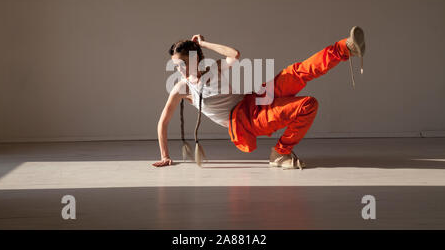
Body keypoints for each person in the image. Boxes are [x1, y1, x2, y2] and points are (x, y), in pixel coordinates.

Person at [153, 27, 366, 169]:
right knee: (307, 105)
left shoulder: (214, 69)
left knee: (295, 72)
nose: (179, 70)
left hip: (253, 100)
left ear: (195, 59)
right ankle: (280, 153)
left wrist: (204, 44)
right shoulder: (182, 88)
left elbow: (234, 54)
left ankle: (344, 47)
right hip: (246, 122)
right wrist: (165, 156)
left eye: (182, 64)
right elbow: (163, 122)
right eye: (176, 66)